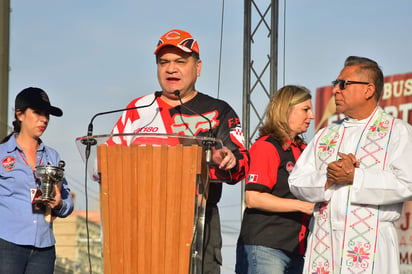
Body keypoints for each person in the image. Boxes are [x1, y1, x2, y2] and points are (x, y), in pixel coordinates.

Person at [106, 29, 249, 273]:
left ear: (198, 67)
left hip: (199, 221)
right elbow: (108, 165)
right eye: (164, 62)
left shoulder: (217, 111)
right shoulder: (138, 109)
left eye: (180, 62)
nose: (171, 69)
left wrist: (227, 160)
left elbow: (242, 163)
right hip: (141, 223)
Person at [288, 56, 412, 274]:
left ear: (368, 90)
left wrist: (356, 177)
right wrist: (327, 179)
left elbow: (407, 183)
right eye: (335, 84)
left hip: (371, 243)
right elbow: (296, 181)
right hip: (324, 242)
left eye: (343, 84)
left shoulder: (397, 131)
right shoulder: (327, 134)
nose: (336, 90)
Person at [235, 85, 315, 274]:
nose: (311, 116)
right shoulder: (267, 146)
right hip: (266, 247)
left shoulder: (302, 150)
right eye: (305, 109)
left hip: (296, 249)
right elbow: (253, 198)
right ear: (286, 109)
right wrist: (303, 206)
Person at [0, 87, 74, 274]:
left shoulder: (53, 157)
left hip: (44, 249)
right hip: (7, 245)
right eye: (37, 112)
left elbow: (67, 202)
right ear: (20, 114)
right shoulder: (2, 154)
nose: (44, 119)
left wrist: (59, 204)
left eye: (47, 114)